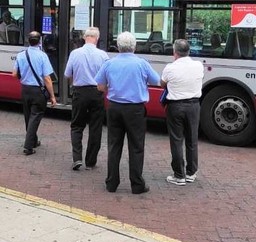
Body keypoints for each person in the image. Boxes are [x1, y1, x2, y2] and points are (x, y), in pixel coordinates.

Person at [94, 32, 160, 194]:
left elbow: (100, 86)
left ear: (118, 46)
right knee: (136, 146)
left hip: (114, 107)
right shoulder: (141, 64)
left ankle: (112, 183)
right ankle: (137, 184)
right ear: (135, 47)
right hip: (135, 110)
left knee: (114, 145)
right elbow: (156, 81)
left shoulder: (109, 64)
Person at [64, 27, 109, 171]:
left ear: (84, 37)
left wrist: (74, 83)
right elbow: (108, 76)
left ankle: (77, 158)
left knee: (77, 125)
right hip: (96, 93)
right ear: (97, 38)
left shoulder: (75, 53)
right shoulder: (103, 55)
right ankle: (91, 162)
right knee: (95, 128)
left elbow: (67, 74)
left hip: (80, 92)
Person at [161, 39, 204, 186]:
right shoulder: (199, 65)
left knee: (176, 140)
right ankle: (191, 173)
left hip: (175, 106)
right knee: (192, 139)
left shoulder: (170, 67)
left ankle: (179, 175)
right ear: (189, 51)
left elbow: (163, 83)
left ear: (175, 52)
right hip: (194, 105)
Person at [12, 31, 57, 155]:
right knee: (35, 117)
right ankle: (28, 146)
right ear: (40, 41)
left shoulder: (21, 55)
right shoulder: (42, 56)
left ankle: (33, 140)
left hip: (25, 89)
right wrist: (52, 96)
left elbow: (14, 74)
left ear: (28, 41)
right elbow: (47, 78)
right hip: (38, 91)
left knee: (28, 116)